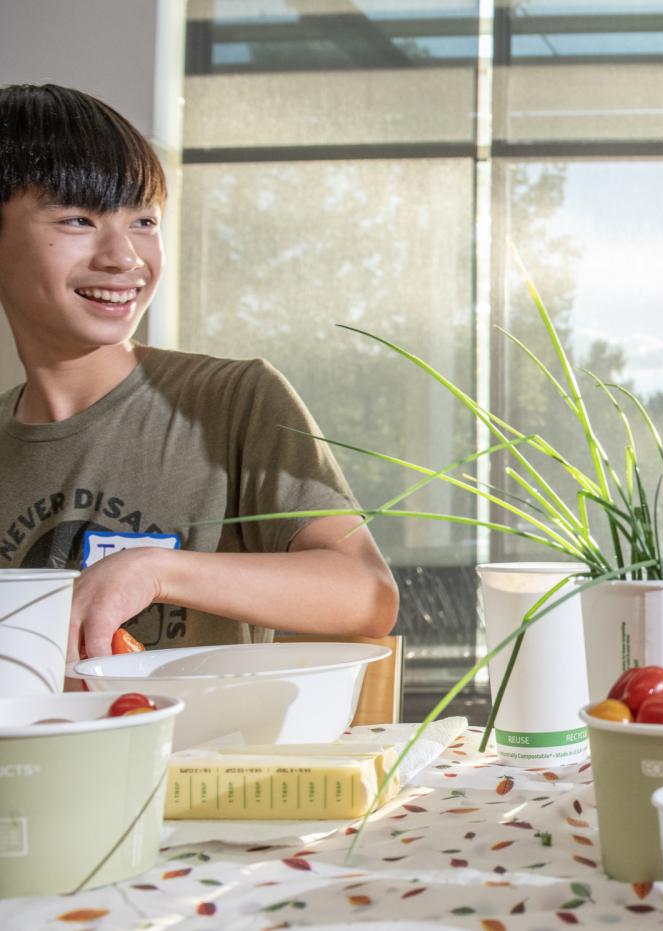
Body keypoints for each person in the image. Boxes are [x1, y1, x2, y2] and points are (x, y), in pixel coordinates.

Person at [0, 83, 399, 664]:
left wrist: (157, 571)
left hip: (204, 754)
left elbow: (366, 595)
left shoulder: (233, 401)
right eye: (79, 219)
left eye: (143, 221)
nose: (125, 258)